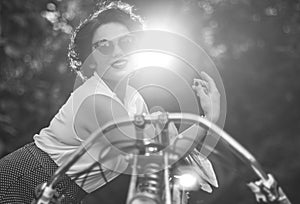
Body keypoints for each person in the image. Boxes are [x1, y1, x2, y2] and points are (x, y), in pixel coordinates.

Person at [0, 1, 221, 203]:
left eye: (127, 42)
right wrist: (209, 119)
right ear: (91, 60)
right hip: (20, 180)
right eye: (104, 47)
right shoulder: (96, 100)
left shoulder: (133, 99)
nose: (118, 53)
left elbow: (164, 151)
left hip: (61, 193)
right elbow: (152, 159)